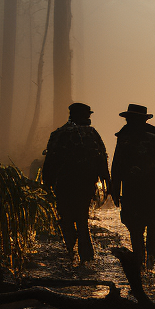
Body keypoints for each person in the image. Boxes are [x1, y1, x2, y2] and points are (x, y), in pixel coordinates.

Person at [41, 103, 110, 264]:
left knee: (66, 219)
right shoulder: (91, 134)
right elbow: (101, 158)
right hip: (85, 185)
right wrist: (107, 181)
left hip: (63, 185)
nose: (89, 119)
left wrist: (46, 184)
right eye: (87, 116)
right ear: (81, 116)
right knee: (82, 220)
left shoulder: (58, 134)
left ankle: (71, 252)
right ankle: (86, 258)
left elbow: (50, 160)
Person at [110, 103, 155, 268]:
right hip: (144, 194)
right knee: (150, 229)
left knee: (140, 231)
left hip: (137, 194)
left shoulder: (126, 140)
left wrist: (115, 191)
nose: (129, 122)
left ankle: (143, 262)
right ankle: (147, 261)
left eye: (131, 119)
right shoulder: (148, 139)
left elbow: (116, 168)